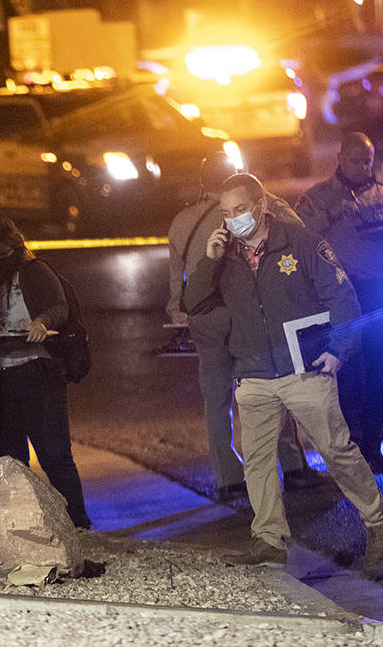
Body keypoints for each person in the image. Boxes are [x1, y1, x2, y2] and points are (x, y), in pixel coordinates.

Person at [185, 173, 383, 577]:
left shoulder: (300, 243)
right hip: (253, 374)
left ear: (261, 205)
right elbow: (193, 303)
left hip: (307, 368)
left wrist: (339, 349)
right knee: (259, 462)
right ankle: (268, 539)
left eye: (240, 210)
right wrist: (208, 262)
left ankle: (379, 520)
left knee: (337, 452)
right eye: (226, 213)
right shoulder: (224, 256)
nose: (232, 220)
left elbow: (343, 297)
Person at [166, 153, 323, 502]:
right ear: (237, 178)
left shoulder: (182, 222)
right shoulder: (265, 208)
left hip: (204, 319)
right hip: (244, 313)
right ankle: (294, 467)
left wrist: (180, 315)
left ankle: (228, 478)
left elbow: (178, 283)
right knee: (272, 384)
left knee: (216, 399)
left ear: (203, 181)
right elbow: (301, 238)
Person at [295, 133, 383, 473]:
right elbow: (298, 240)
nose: (363, 167)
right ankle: (352, 453)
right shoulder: (318, 199)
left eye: (367, 160)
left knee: (380, 372)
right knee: (348, 376)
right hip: (343, 298)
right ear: (339, 158)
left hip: (382, 295)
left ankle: (373, 448)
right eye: (355, 160)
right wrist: (333, 215)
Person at [0, 214, 91, 528]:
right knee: (11, 462)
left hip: (36, 372)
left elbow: (59, 306)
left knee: (54, 455)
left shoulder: (34, 270)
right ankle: (25, 526)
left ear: (14, 247)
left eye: (4, 253)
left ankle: (77, 522)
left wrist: (42, 322)